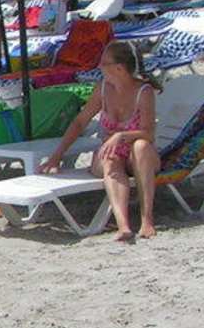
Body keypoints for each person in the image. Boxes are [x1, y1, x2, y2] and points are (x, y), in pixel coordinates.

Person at [40, 41, 161, 243]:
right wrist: (56, 157)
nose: (99, 67)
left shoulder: (143, 92)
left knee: (141, 146)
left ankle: (147, 219)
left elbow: (148, 134)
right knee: (109, 158)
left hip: (139, 157)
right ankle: (123, 226)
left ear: (119, 68)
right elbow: (80, 122)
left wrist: (121, 136)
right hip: (111, 155)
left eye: (104, 63)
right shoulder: (102, 89)